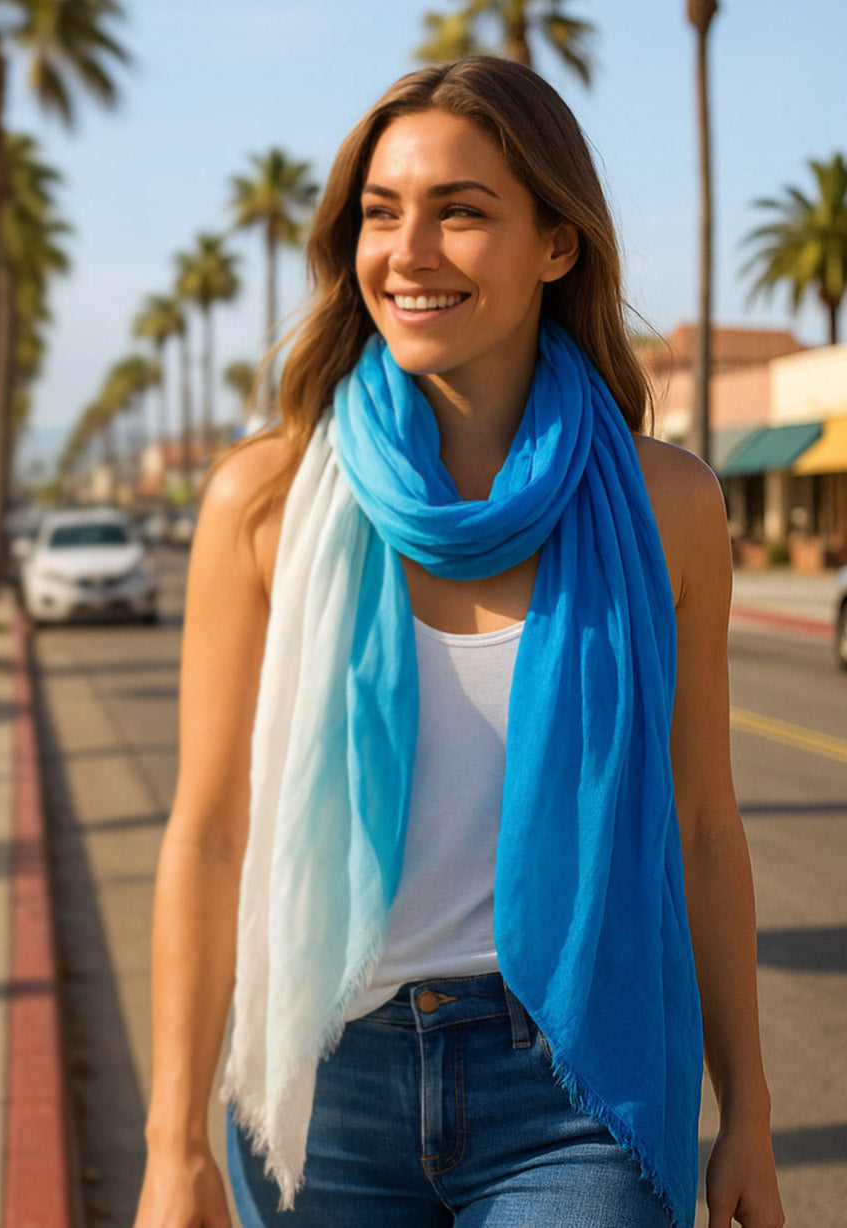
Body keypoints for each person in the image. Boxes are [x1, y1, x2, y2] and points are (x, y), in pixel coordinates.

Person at [134, 56, 784, 1228]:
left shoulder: (669, 504)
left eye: (461, 212)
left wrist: (747, 1112)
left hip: (577, 1084)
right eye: (381, 214)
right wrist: (171, 1141)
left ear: (556, 244)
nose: (409, 250)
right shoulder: (265, 503)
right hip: (324, 1086)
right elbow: (209, 832)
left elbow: (701, 823)